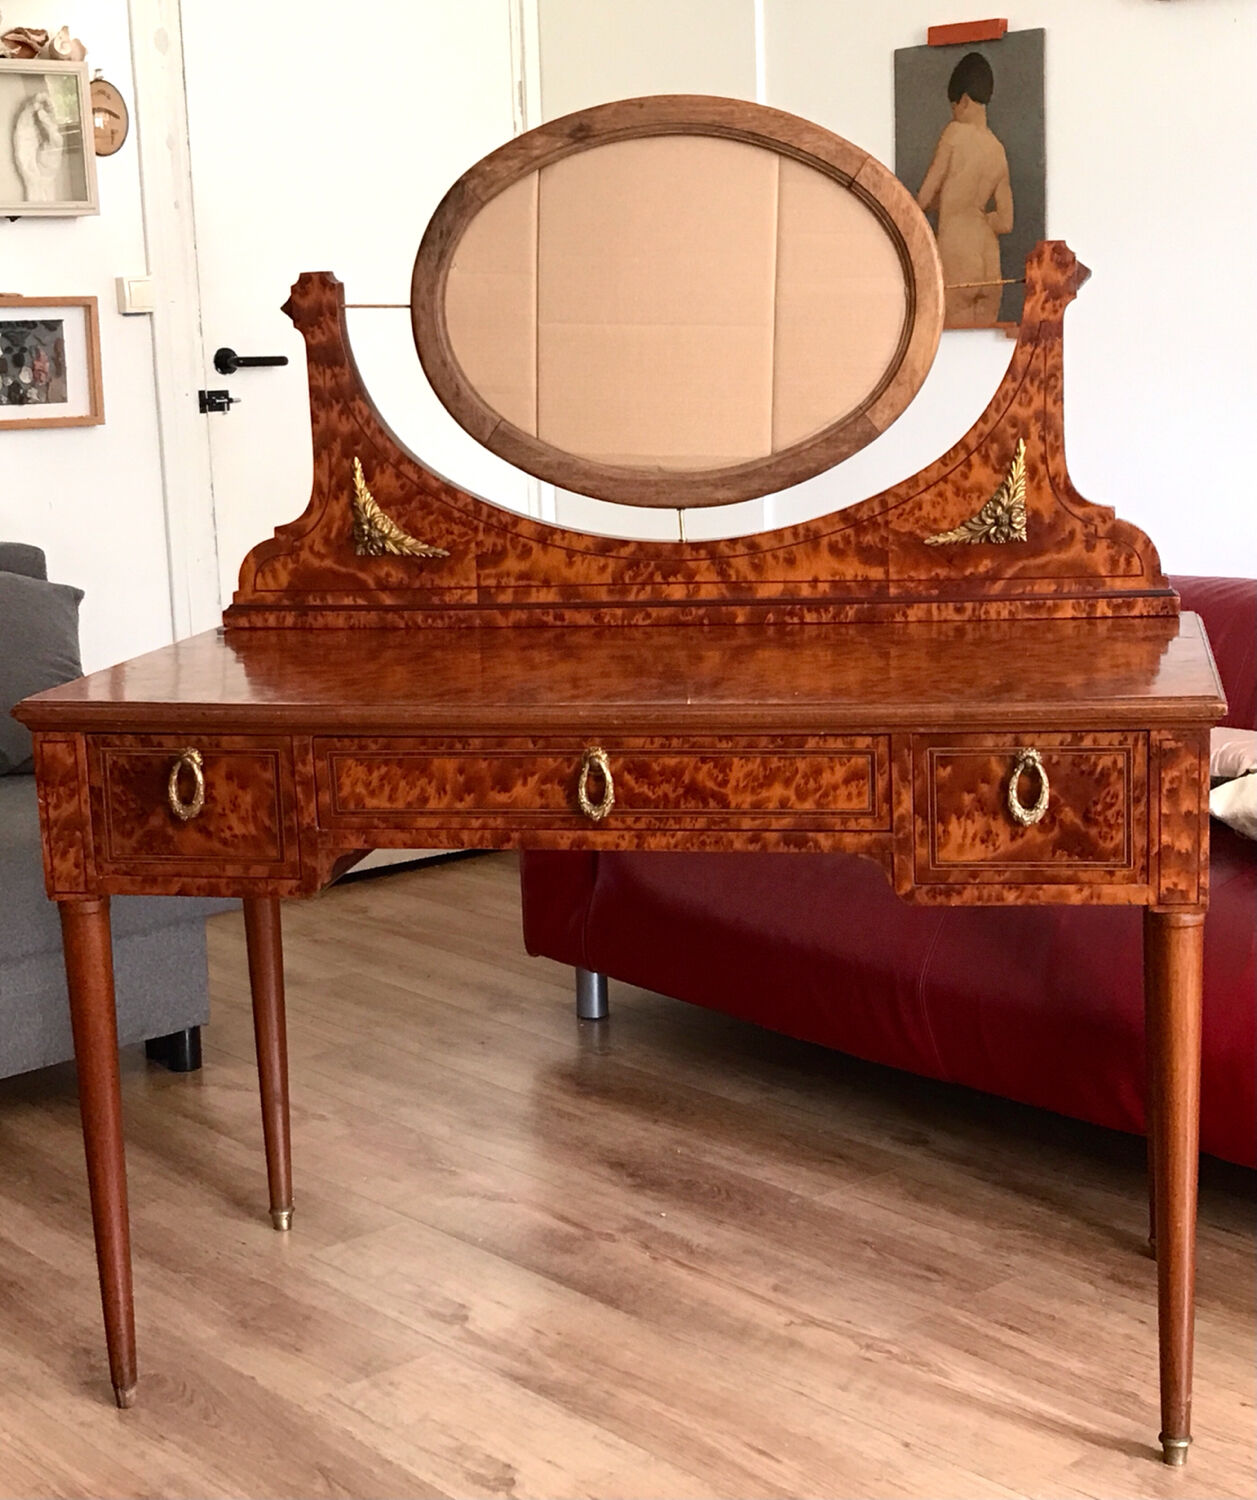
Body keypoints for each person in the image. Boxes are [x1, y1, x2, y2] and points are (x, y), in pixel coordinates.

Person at [916, 51, 1013, 327]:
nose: (953, 112)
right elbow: (1006, 222)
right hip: (989, 263)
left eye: (954, 105)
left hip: (957, 256)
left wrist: (946, 205)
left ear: (965, 101)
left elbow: (923, 198)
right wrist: (979, 216)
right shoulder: (998, 150)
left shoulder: (954, 134)